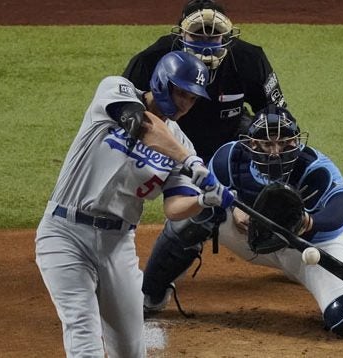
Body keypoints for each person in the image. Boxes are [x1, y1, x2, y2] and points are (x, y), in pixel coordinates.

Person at [141, 105, 343, 337]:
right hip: (254, 239)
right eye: (266, 143)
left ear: (296, 142)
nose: (275, 151)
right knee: (200, 212)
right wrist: (233, 209)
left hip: (311, 248)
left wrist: (308, 223)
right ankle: (149, 295)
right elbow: (205, 196)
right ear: (250, 144)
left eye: (284, 143)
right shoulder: (229, 160)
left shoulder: (314, 167)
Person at [34, 51, 235, 357]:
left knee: (130, 349)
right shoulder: (116, 90)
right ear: (161, 81)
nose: (184, 103)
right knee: (83, 334)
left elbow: (174, 207)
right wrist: (188, 159)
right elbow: (142, 123)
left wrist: (203, 200)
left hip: (117, 246)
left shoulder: (182, 144)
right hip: (65, 233)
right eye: (180, 91)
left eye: (192, 98)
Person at [123, 0, 287, 163]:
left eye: (213, 36)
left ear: (225, 36)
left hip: (229, 138)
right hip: (169, 139)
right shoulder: (152, 59)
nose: (205, 45)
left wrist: (271, 147)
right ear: (181, 34)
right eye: (196, 35)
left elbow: (274, 111)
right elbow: (125, 102)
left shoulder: (249, 59)